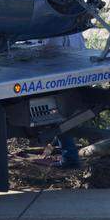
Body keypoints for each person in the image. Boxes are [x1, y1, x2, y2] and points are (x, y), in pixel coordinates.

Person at [37, 31, 88, 167]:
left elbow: (50, 50)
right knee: (66, 117)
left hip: (62, 77)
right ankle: (68, 154)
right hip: (77, 75)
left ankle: (70, 158)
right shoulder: (74, 31)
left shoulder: (55, 31)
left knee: (58, 117)